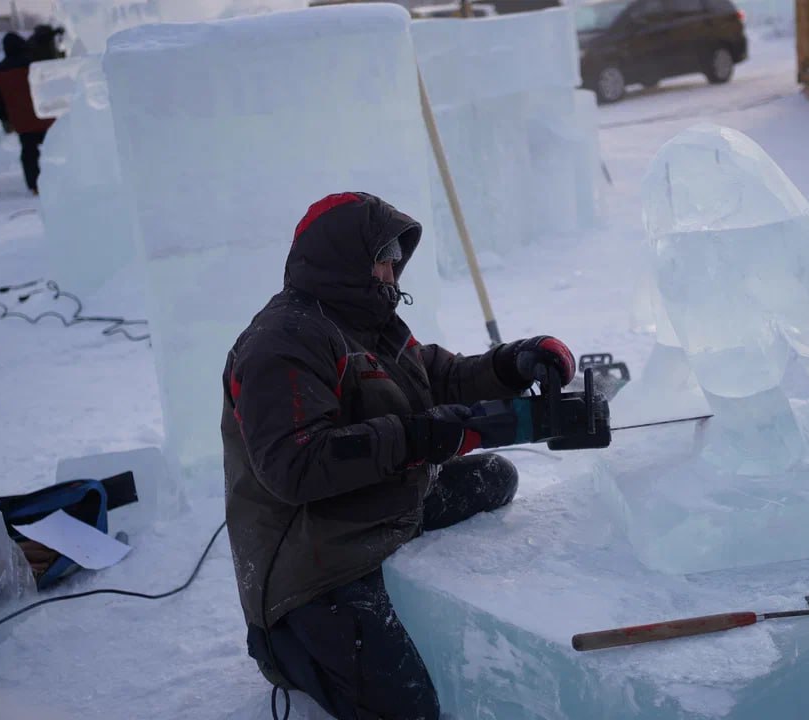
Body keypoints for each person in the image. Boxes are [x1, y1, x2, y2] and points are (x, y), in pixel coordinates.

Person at [222, 192, 576, 719]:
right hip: (311, 556)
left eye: (396, 254)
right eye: (383, 254)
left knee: (494, 477)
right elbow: (295, 467)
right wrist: (427, 436)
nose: (393, 268)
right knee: (409, 710)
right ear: (344, 255)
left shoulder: (366, 323)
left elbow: (439, 377)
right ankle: (286, 645)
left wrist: (514, 363)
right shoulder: (282, 342)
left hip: (375, 507)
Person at [0, 33, 55, 195]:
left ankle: (35, 186)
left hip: (22, 121)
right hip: (44, 116)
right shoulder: (34, 64)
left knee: (29, 153)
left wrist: (5, 120)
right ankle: (61, 178)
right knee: (54, 147)